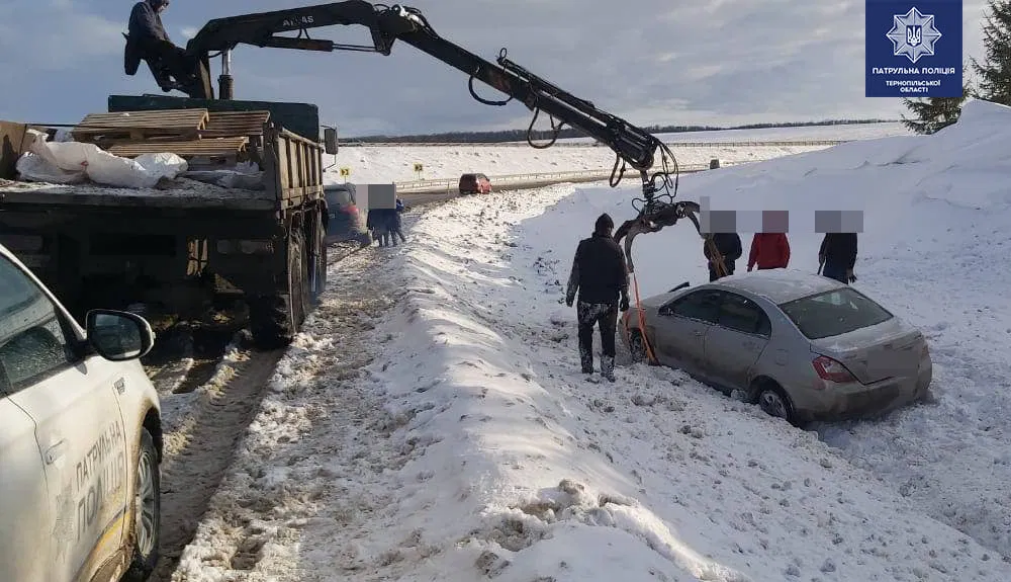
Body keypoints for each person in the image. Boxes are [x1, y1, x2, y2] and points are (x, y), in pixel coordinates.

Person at [565, 213, 630, 382]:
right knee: (608, 336)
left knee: (585, 333)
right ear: (610, 229)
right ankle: (607, 372)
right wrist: (625, 296)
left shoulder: (584, 246)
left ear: (596, 228)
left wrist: (570, 294)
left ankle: (587, 367)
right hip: (609, 303)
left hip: (587, 301)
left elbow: (576, 272)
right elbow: (623, 276)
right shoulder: (616, 249)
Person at [125, 0, 195, 90]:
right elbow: (147, 27)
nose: (164, 8)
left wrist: (174, 48)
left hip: (155, 43)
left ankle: (187, 74)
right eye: (164, 5)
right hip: (143, 43)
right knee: (167, 48)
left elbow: (163, 34)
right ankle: (182, 79)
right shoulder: (142, 6)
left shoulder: (156, 15)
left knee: (181, 52)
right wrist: (165, 43)